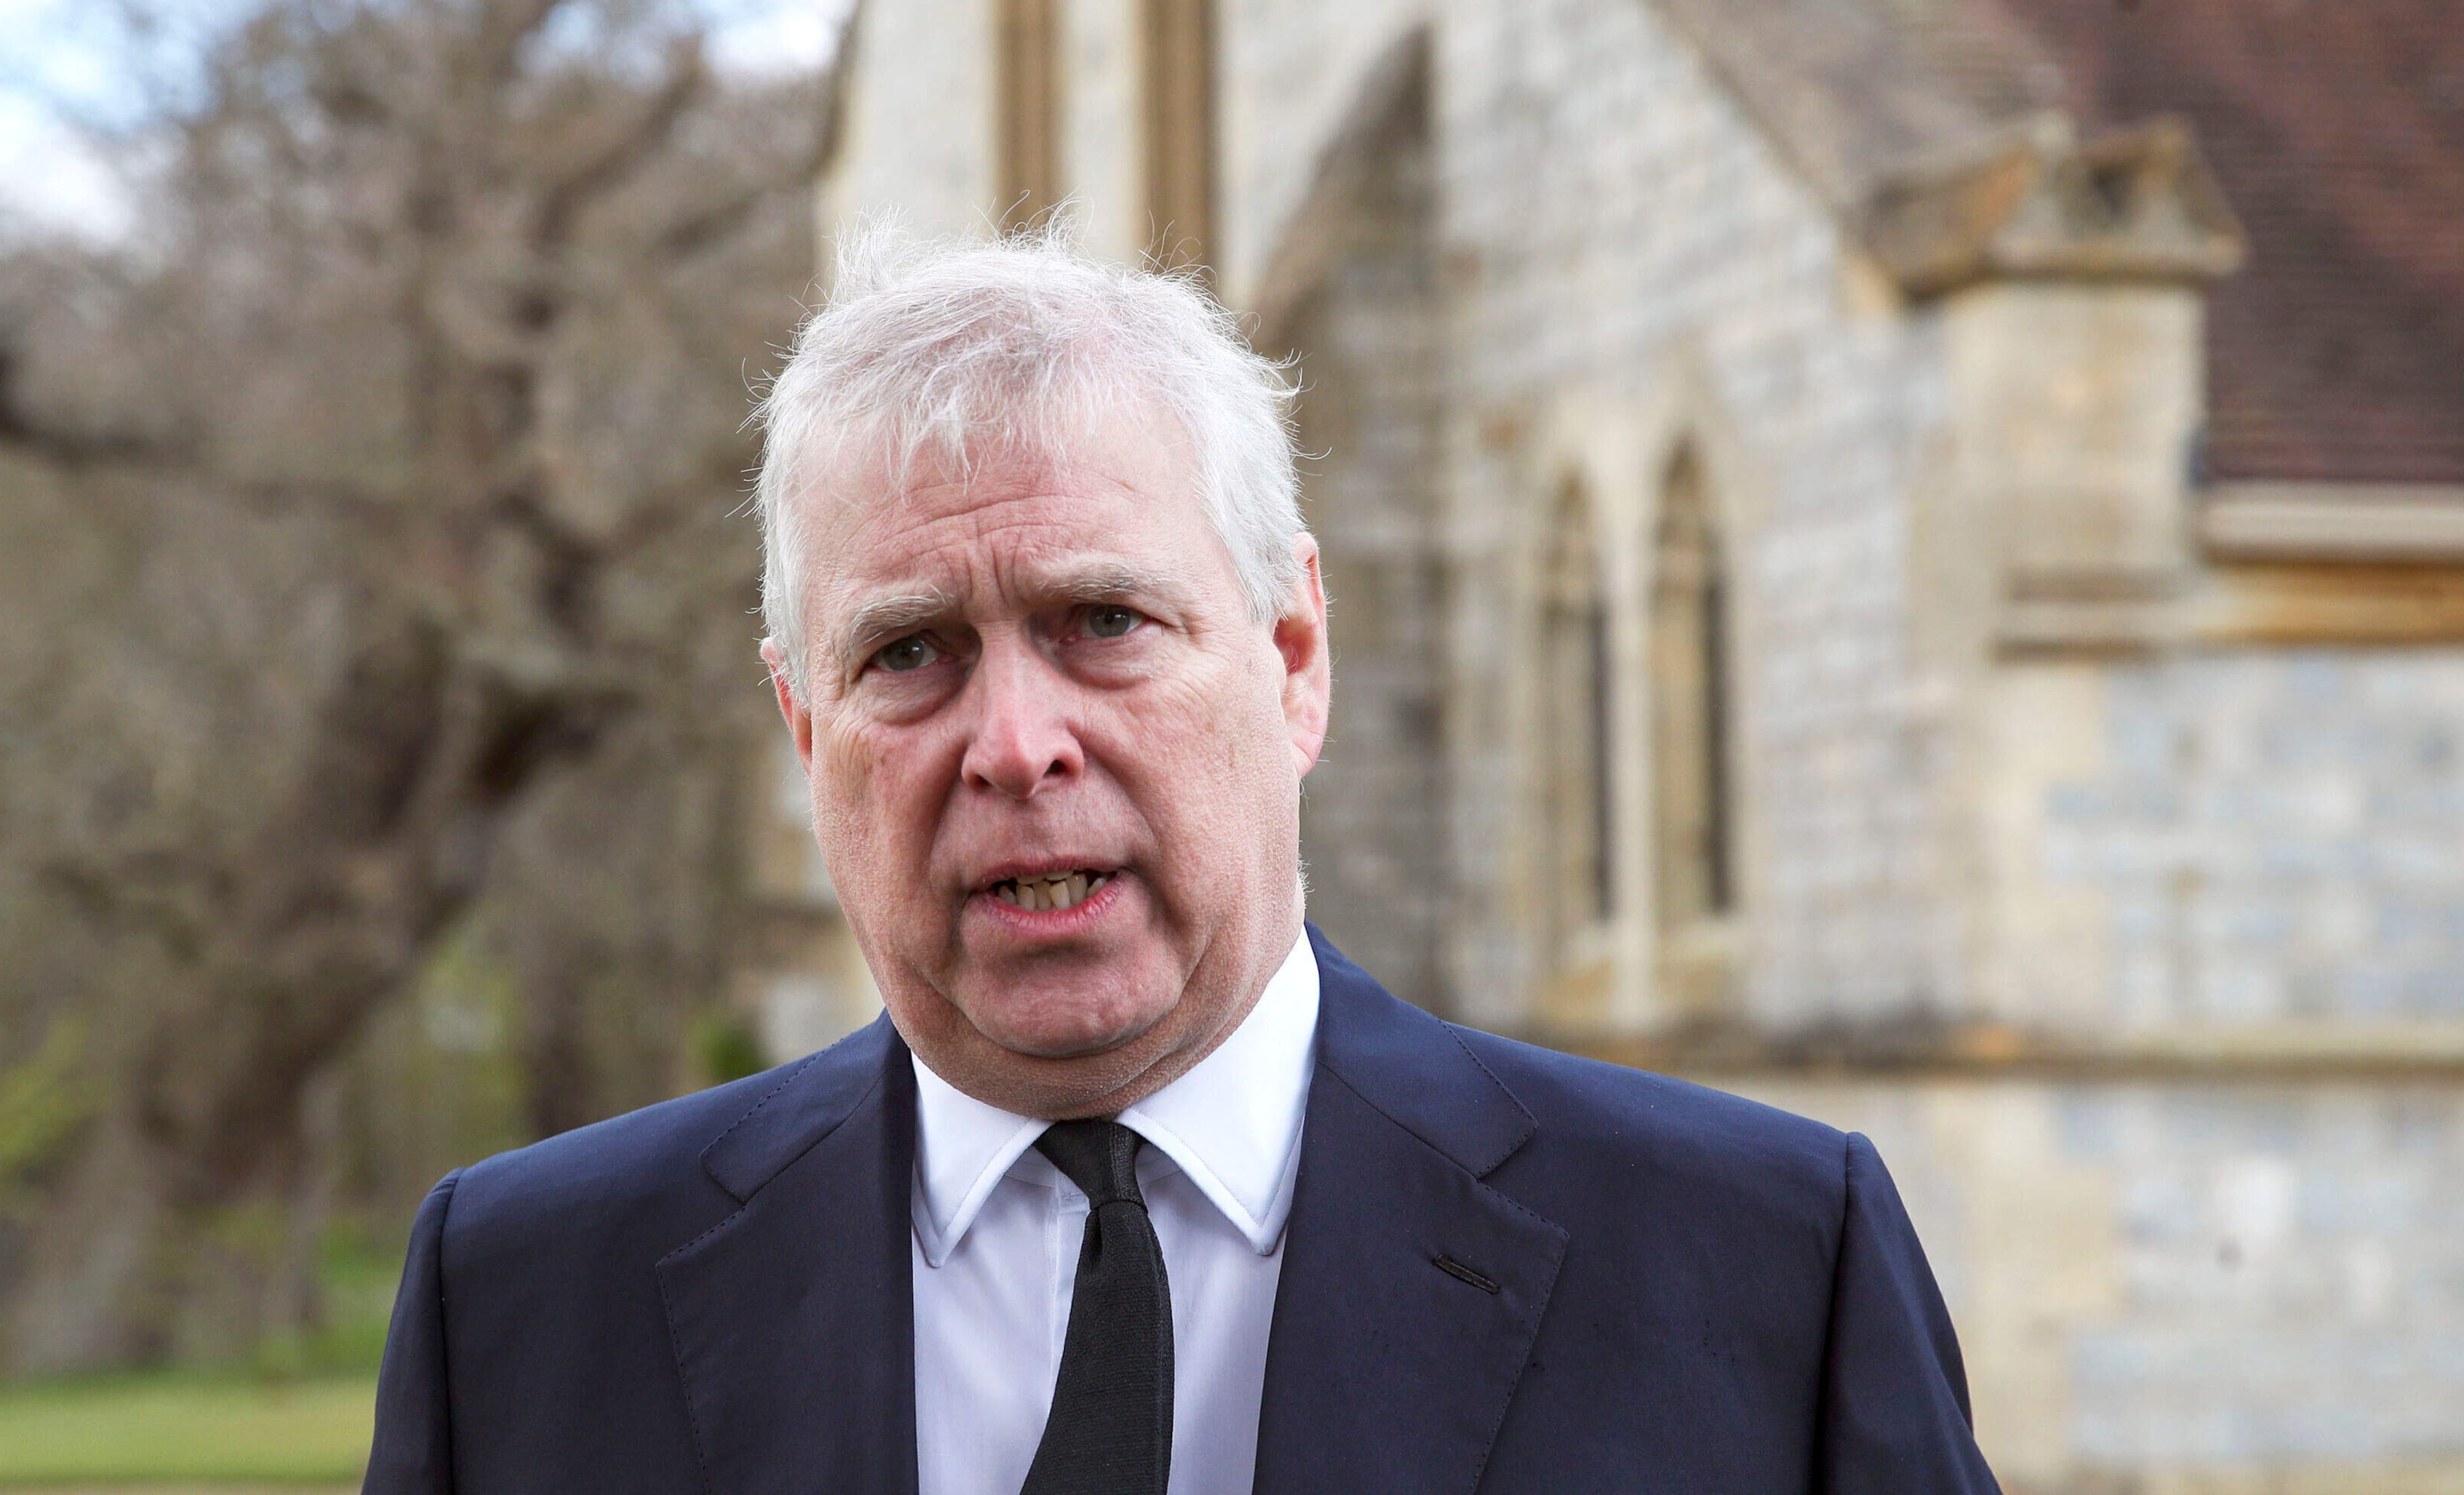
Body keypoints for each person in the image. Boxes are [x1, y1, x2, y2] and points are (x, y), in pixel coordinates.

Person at [360, 228, 2002, 1495]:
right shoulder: (518, 1306)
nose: (1015, 743)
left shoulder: (1766, 1267)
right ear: (807, 731)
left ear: (1295, 659)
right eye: (912, 654)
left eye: (1104, 622)